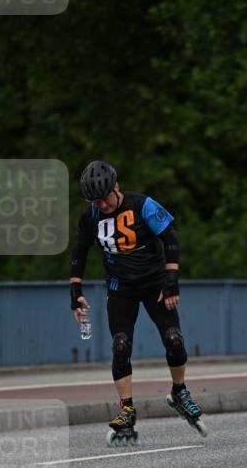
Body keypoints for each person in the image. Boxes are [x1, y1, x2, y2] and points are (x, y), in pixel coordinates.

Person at [69, 159, 204, 441]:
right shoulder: (90, 216)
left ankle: (179, 392)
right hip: (121, 288)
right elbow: (79, 252)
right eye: (96, 201)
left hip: (155, 284)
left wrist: (171, 278)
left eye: (105, 197)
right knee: (120, 346)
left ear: (116, 186)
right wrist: (75, 291)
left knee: (174, 338)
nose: (102, 204)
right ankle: (127, 410)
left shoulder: (142, 204)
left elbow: (170, 238)